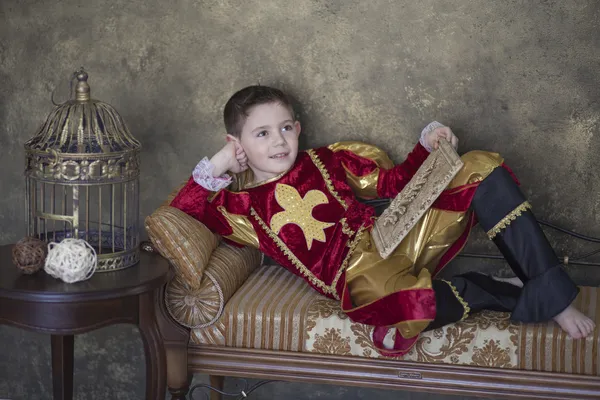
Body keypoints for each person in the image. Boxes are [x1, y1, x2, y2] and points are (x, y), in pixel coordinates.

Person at [171, 85, 595, 356]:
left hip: (394, 234)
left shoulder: (328, 159)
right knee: (404, 306)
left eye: (285, 128)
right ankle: (499, 290)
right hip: (360, 280)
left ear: (298, 128)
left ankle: (551, 294)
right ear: (238, 141)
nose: (279, 141)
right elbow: (186, 206)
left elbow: (392, 183)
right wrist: (221, 162)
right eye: (261, 133)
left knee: (480, 165)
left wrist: (428, 145)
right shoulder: (240, 208)